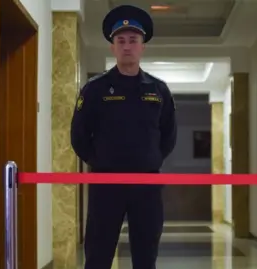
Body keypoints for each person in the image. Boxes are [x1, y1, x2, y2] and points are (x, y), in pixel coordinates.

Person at [70, 5, 177, 269]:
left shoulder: (158, 90)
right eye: (121, 41)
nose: (127, 46)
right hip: (107, 183)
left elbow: (169, 135)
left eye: (133, 40)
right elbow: (79, 136)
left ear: (142, 47)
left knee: (146, 254)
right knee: (98, 253)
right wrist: (103, 161)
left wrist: (149, 159)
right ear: (112, 47)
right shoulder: (95, 89)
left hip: (146, 185)